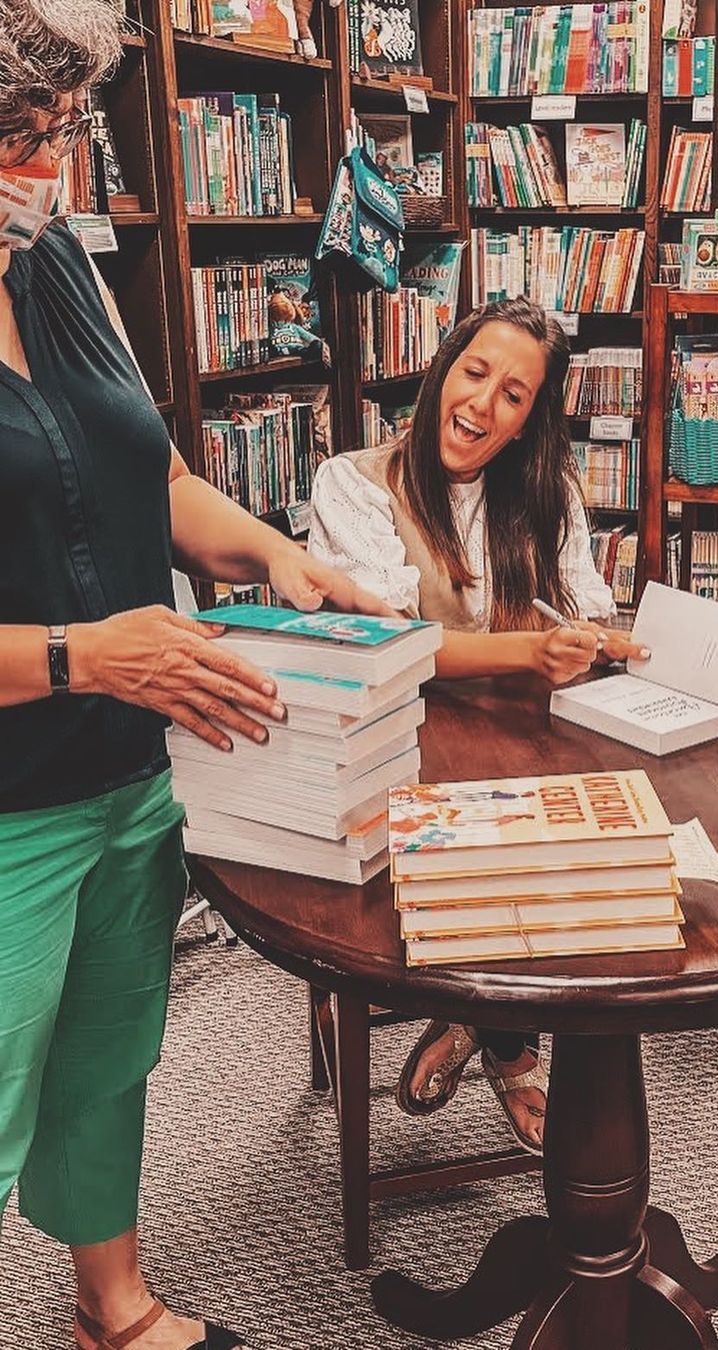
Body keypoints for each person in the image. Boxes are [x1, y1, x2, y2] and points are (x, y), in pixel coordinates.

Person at [0, 5, 388, 1349]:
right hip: (7, 799)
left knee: (109, 1057)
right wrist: (78, 654)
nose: (45, 169)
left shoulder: (55, 265)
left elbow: (154, 478)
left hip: (134, 763)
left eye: (59, 133)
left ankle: (111, 1303)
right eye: (16, 139)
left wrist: (278, 554)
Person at [309, 296, 647, 1153]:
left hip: (517, 741)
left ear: (530, 419)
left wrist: (597, 642)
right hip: (394, 745)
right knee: (501, 840)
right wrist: (529, 651)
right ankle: (505, 1043)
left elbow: (581, 606)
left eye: (514, 395)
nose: (483, 404)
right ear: (441, 369)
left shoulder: (546, 491)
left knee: (598, 836)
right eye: (476, 373)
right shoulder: (355, 482)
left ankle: (472, 1014)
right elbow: (392, 644)